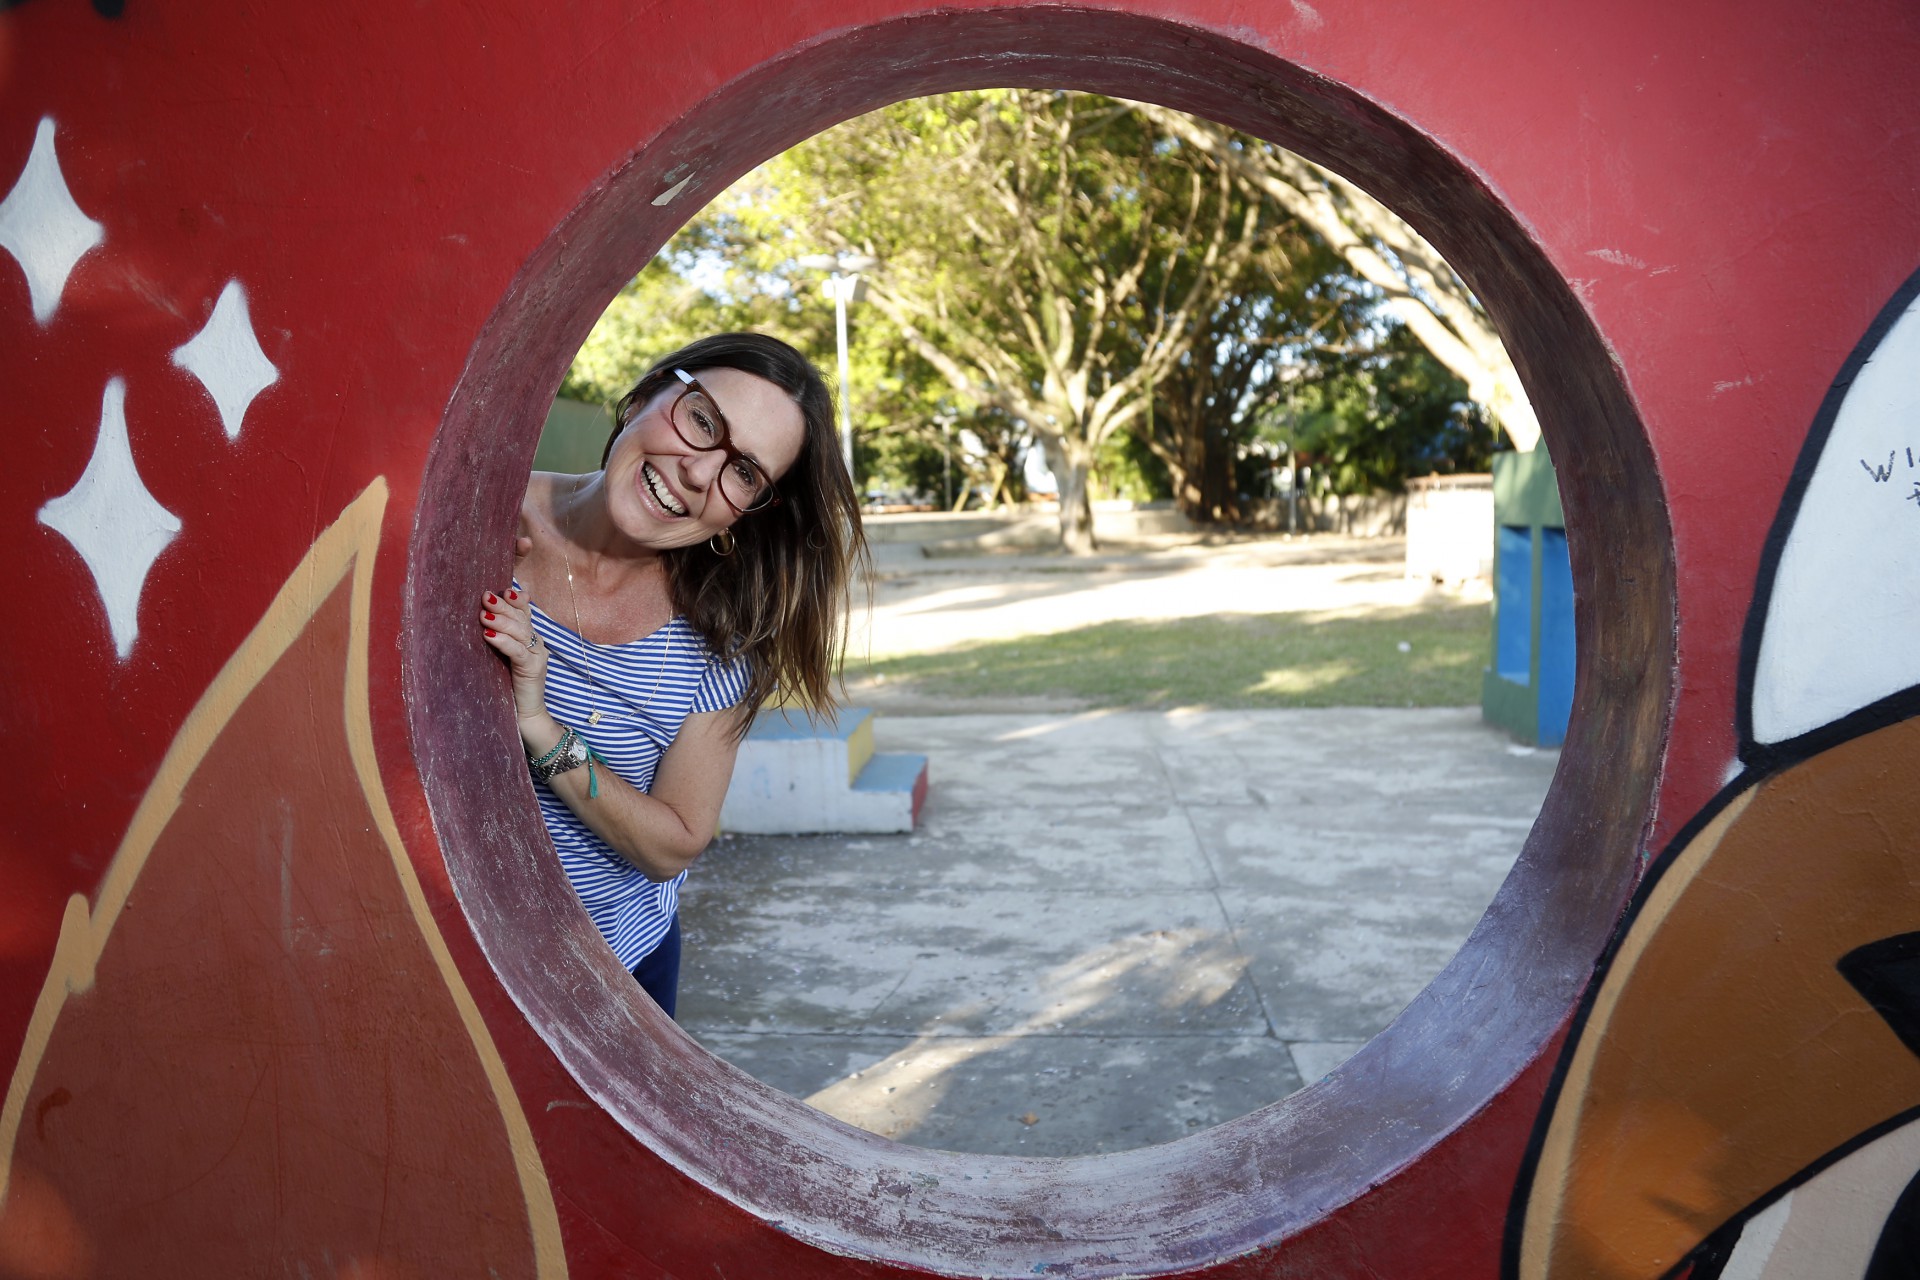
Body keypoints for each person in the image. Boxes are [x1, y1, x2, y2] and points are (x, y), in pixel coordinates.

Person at [479, 333, 865, 1018]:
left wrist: (541, 731)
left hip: (613, 975)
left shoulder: (720, 642)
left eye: (744, 473)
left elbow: (674, 842)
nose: (698, 472)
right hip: (432, 944)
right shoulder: (480, 522)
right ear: (645, 395)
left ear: (748, 513)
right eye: (702, 420)